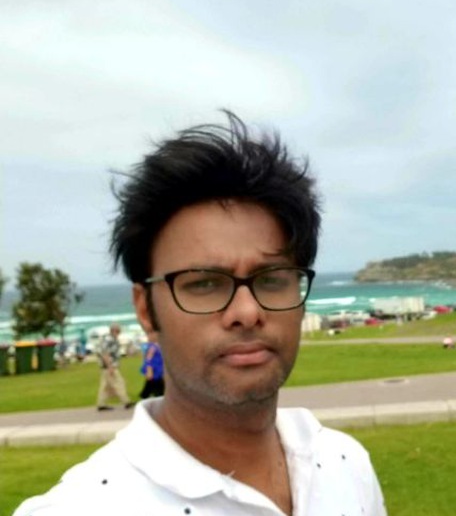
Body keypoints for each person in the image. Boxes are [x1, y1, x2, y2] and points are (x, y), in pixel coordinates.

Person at [14, 111, 386, 516]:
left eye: (272, 278)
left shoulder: (344, 464)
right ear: (146, 310)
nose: (247, 311)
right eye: (205, 283)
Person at [96, 323, 135, 411]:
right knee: (119, 383)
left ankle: (101, 403)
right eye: (118, 331)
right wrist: (110, 366)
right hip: (110, 366)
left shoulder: (111, 339)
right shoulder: (109, 340)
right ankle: (126, 401)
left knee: (105, 386)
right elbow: (105, 353)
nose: (119, 333)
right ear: (113, 330)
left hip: (106, 366)